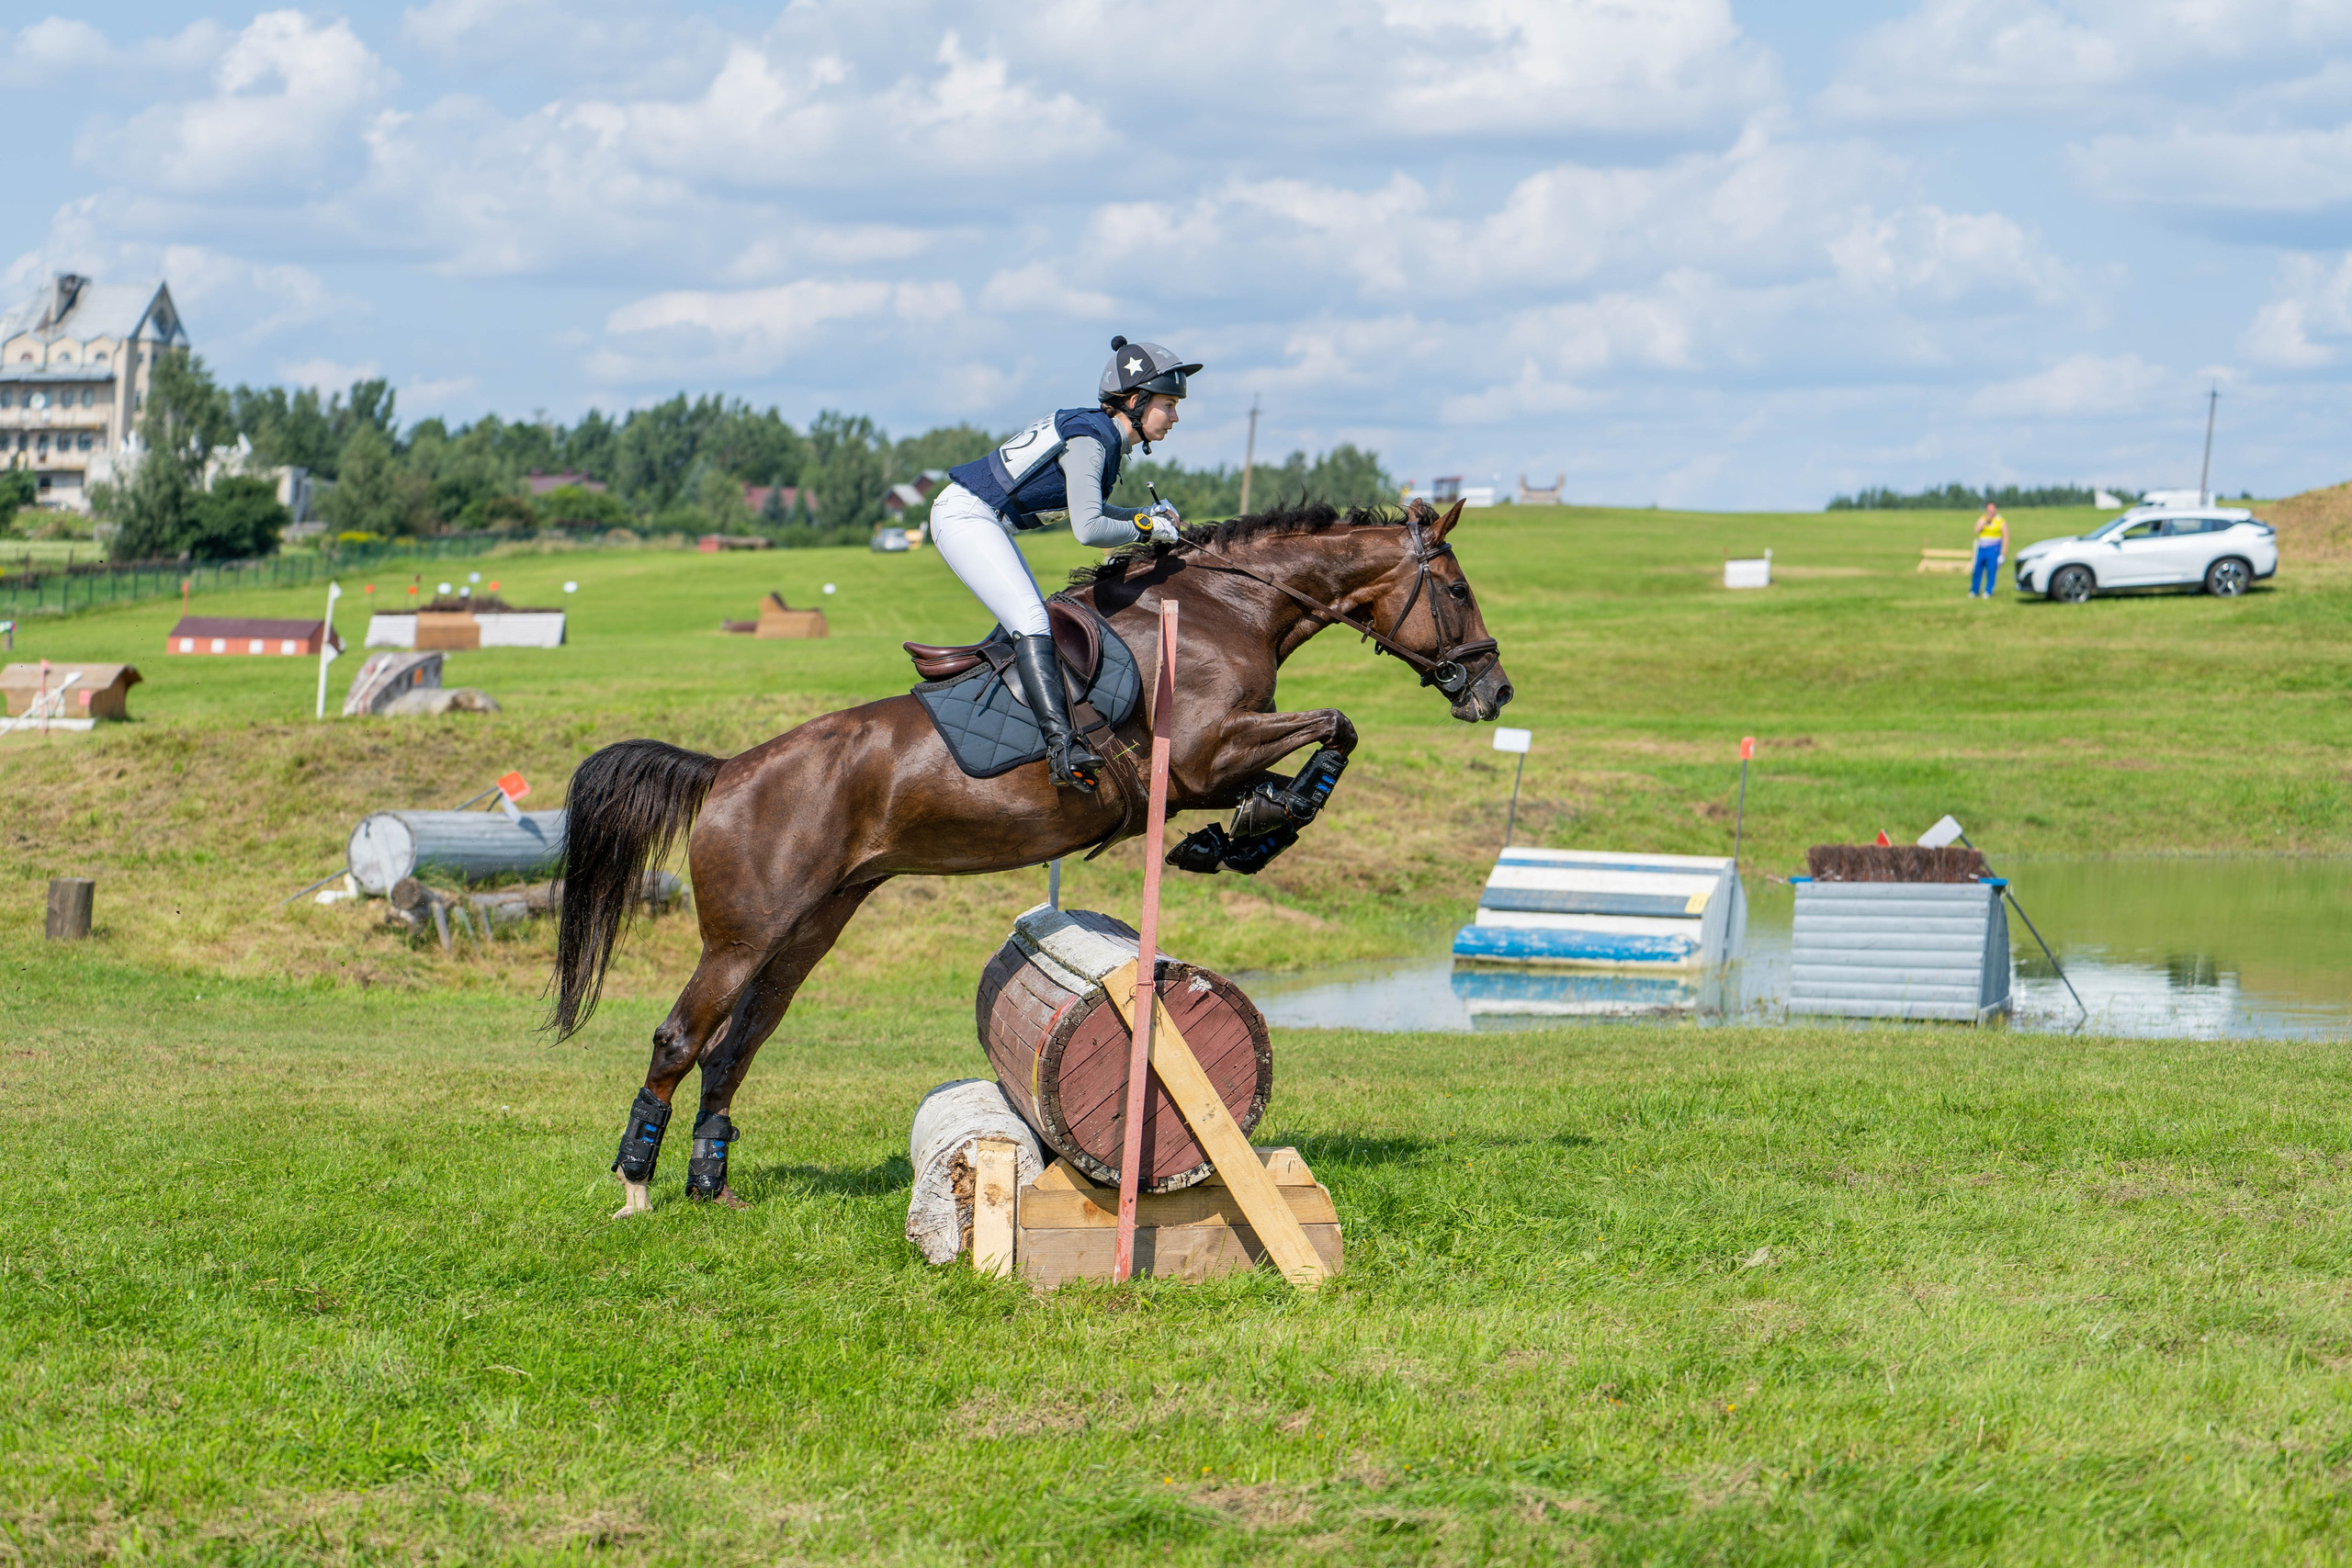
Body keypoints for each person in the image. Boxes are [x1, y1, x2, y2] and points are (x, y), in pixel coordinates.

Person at [932, 336, 1201, 791]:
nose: (1176, 416)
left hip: (985, 520)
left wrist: (1147, 519)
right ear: (1135, 401)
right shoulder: (1091, 439)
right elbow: (1090, 530)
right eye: (1169, 404)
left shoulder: (1102, 436)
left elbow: (1092, 513)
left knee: (1028, 620)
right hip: (966, 515)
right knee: (1034, 620)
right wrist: (1149, 527)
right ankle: (1062, 749)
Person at [1970, 502, 2007, 598]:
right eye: (1988, 509)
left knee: (1991, 570)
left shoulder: (2000, 521)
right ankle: (1974, 590)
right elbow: (1976, 530)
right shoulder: (1983, 519)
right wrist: (1986, 520)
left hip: (1993, 548)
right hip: (1982, 548)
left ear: (1996, 509)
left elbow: (2006, 536)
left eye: (1992, 509)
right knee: (1977, 569)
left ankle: (1988, 591)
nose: (1990, 511)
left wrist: (2003, 553)